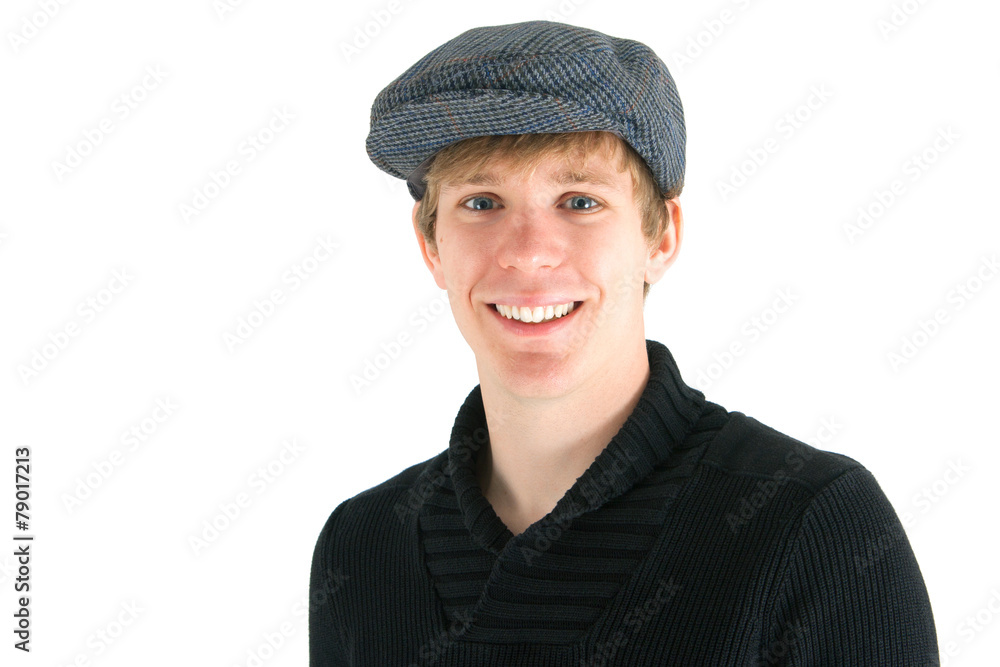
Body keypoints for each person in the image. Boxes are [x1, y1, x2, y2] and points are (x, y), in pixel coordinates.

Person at [309, 20, 938, 666]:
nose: (528, 253)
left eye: (579, 201)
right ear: (431, 246)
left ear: (660, 238)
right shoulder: (361, 548)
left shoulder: (813, 525)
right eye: (482, 202)